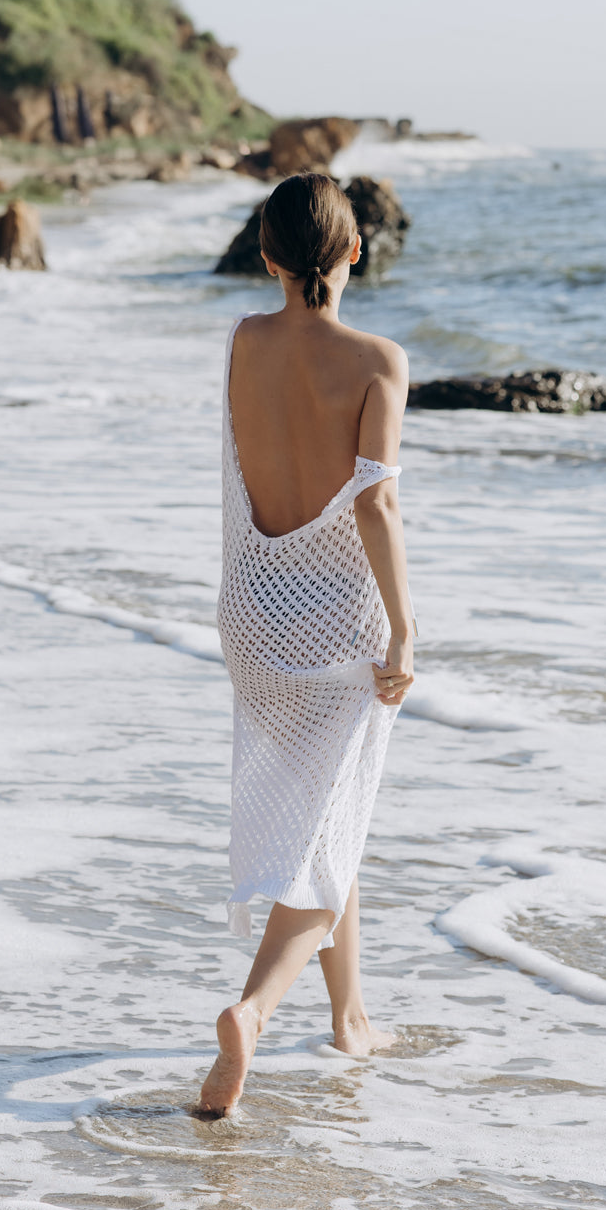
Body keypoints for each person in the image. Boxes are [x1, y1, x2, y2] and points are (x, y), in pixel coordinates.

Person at [200, 172, 415, 1117]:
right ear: (355, 251)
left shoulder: (244, 340)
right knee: (324, 825)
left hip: (250, 610)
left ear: (266, 253)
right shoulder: (378, 360)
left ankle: (351, 1017)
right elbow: (375, 502)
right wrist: (405, 627)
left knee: (338, 812)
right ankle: (254, 1008)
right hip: (335, 625)